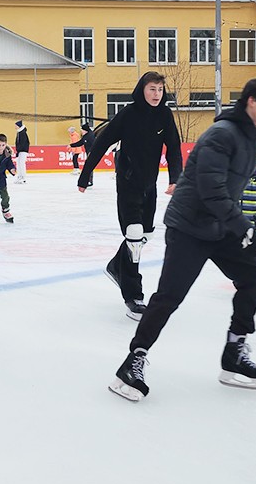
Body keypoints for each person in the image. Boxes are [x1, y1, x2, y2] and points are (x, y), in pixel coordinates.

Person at [109, 77, 256, 402]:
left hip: (219, 226)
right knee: (170, 296)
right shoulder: (221, 134)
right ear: (251, 102)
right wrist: (242, 225)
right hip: (189, 225)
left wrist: (240, 227)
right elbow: (212, 190)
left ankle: (234, 354)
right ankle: (133, 362)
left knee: (254, 277)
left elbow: (230, 191)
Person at [78, 71, 183, 321]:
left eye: (160, 90)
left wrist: (175, 178)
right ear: (142, 90)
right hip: (127, 184)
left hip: (150, 185)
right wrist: (85, 176)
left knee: (144, 235)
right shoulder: (128, 114)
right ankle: (134, 297)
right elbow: (101, 143)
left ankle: (116, 265)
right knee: (134, 235)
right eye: (152, 89)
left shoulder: (165, 115)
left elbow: (174, 148)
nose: (156, 94)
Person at [69, 121, 96, 187]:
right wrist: (71, 145)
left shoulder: (90, 136)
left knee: (89, 167)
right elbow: (80, 143)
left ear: (85, 130)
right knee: (88, 167)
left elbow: (94, 145)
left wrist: (91, 153)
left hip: (91, 153)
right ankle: (89, 181)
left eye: (82, 130)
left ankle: (89, 181)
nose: (81, 131)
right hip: (89, 153)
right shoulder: (85, 136)